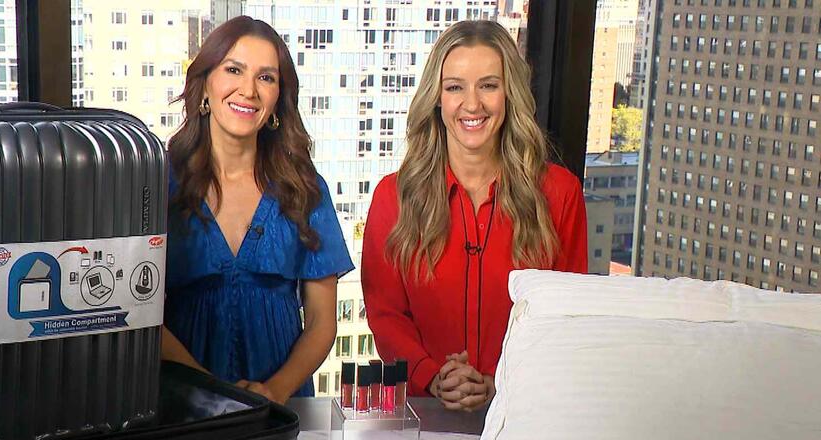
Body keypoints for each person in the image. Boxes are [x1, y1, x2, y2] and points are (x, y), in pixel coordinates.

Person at [361, 20, 588, 412]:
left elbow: (565, 319)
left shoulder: (560, 194)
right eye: (454, 87)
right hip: (423, 416)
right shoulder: (392, 197)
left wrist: (500, 380)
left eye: (488, 85)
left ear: (510, 94)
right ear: (437, 98)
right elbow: (386, 315)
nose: (472, 104)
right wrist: (433, 376)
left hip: (524, 411)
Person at [162, 16, 353, 404]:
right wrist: (214, 397)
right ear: (205, 85)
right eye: (234, 69)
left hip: (281, 407)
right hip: (180, 404)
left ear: (278, 98)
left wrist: (273, 392)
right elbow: (140, 315)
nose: (248, 90)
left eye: (266, 77)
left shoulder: (305, 190)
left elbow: (320, 324)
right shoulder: (155, 185)